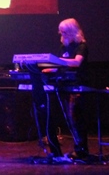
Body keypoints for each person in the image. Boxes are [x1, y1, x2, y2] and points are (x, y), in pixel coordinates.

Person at [28, 18, 89, 161]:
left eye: (64, 32)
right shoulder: (64, 47)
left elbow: (76, 62)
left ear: (72, 31)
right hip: (63, 85)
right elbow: (59, 65)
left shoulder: (81, 46)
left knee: (75, 119)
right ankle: (62, 150)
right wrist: (47, 68)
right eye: (60, 32)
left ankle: (81, 150)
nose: (61, 34)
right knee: (65, 117)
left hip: (76, 86)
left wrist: (56, 61)